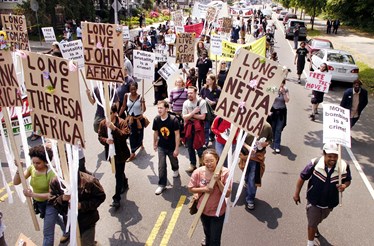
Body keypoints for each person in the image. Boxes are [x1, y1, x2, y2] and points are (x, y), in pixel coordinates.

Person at [293, 143, 351, 246]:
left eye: (335, 156)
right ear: (324, 154)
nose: (333, 159)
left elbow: (348, 180)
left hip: (330, 203)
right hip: (314, 200)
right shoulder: (315, 163)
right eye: (330, 156)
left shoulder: (344, 166)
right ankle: (310, 243)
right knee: (312, 222)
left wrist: (344, 186)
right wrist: (296, 194)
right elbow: (302, 177)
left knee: (319, 219)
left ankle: (315, 226)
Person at [13, 145, 67, 246]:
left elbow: (51, 195)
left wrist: (32, 194)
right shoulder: (32, 169)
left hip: (51, 204)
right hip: (39, 203)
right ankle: (67, 230)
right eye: (33, 162)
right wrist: (18, 169)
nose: (35, 165)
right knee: (54, 220)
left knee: (47, 233)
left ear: (45, 161)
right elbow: (16, 182)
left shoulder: (52, 174)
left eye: (38, 163)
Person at [49, 171, 106, 246]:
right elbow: (52, 200)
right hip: (71, 223)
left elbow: (100, 197)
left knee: (86, 243)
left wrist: (82, 205)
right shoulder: (55, 182)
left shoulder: (89, 181)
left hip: (87, 222)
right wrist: (62, 198)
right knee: (80, 242)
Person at [188, 149, 231, 246]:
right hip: (203, 210)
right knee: (207, 233)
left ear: (217, 159)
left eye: (212, 160)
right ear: (203, 161)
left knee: (215, 240)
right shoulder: (198, 172)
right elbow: (190, 188)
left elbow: (227, 193)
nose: (209, 164)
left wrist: (218, 180)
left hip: (218, 212)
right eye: (206, 161)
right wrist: (204, 189)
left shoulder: (225, 172)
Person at [98, 104, 131, 208]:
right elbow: (100, 137)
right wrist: (106, 141)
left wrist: (114, 128)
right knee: (119, 172)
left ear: (115, 113)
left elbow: (125, 135)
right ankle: (124, 181)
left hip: (121, 153)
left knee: (118, 175)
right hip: (111, 154)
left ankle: (116, 198)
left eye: (110, 113)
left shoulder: (122, 122)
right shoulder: (103, 123)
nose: (108, 115)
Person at [240, 122, 272, 210]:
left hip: (257, 157)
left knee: (253, 178)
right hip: (245, 154)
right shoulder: (245, 123)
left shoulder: (267, 126)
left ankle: (250, 199)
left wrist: (265, 144)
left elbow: (270, 140)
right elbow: (239, 139)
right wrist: (248, 147)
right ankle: (246, 182)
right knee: (246, 173)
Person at [152, 101, 181, 195]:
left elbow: (177, 135)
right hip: (161, 146)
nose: (159, 110)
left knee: (173, 160)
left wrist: (177, 148)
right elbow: (156, 132)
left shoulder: (173, 120)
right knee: (161, 165)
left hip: (171, 146)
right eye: (158, 108)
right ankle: (162, 185)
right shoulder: (156, 119)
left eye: (161, 108)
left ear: (167, 109)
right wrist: (154, 143)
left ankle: (175, 168)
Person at [119, 82, 146, 161]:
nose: (133, 91)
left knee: (140, 134)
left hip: (139, 119)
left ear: (137, 89)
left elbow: (143, 110)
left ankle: (140, 143)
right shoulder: (126, 96)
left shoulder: (140, 97)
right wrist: (118, 116)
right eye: (131, 89)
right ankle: (133, 152)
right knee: (131, 135)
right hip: (130, 119)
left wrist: (143, 103)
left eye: (134, 89)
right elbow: (124, 106)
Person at [182, 86, 207, 173]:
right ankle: (193, 164)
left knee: (199, 147)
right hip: (189, 127)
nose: (189, 95)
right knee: (190, 147)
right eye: (188, 93)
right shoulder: (185, 103)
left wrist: (190, 115)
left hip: (199, 128)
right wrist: (193, 112)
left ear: (196, 93)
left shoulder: (202, 102)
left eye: (191, 93)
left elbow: (203, 117)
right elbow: (184, 118)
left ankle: (202, 163)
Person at [268, 79, 289, 153]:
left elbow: (287, 100)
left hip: (281, 112)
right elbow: (267, 97)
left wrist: (283, 93)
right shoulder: (272, 88)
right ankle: (273, 139)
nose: (281, 85)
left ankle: (277, 145)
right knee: (272, 128)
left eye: (282, 83)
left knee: (278, 129)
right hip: (273, 111)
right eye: (280, 83)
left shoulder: (285, 90)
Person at [200, 74, 221, 146]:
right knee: (206, 126)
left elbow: (220, 98)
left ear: (213, 80)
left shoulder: (218, 89)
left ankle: (211, 136)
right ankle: (206, 142)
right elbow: (200, 96)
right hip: (206, 110)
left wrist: (214, 102)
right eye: (206, 79)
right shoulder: (203, 88)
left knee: (213, 124)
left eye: (208, 79)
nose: (206, 80)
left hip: (214, 110)